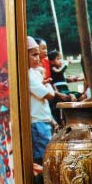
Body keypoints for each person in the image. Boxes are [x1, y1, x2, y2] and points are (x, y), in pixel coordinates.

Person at [27, 36, 56, 165]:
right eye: (34, 55)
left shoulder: (34, 73)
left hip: (43, 120)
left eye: (38, 54)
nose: (37, 58)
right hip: (37, 123)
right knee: (44, 159)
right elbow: (50, 95)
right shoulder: (28, 75)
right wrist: (48, 85)